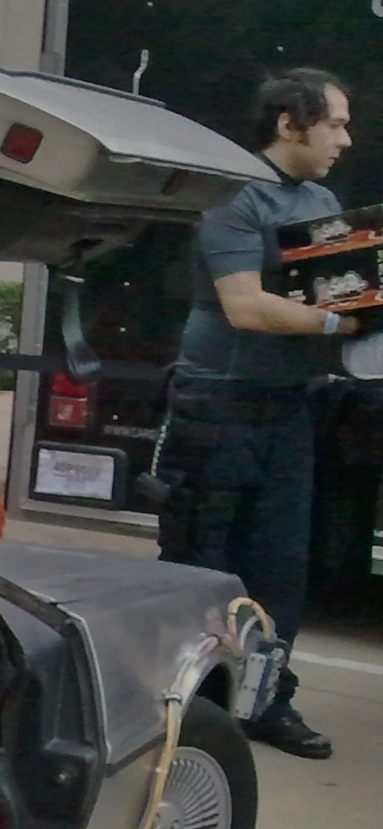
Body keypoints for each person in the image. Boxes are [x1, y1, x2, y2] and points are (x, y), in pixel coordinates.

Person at [161, 68, 355, 760]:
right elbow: (246, 306)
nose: (345, 139)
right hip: (216, 406)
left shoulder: (321, 201)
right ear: (288, 123)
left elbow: (345, 294)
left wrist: (359, 316)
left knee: (280, 568)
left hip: (287, 409)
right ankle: (181, 703)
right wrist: (338, 325)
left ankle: (268, 701)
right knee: (202, 565)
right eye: (334, 123)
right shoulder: (233, 197)